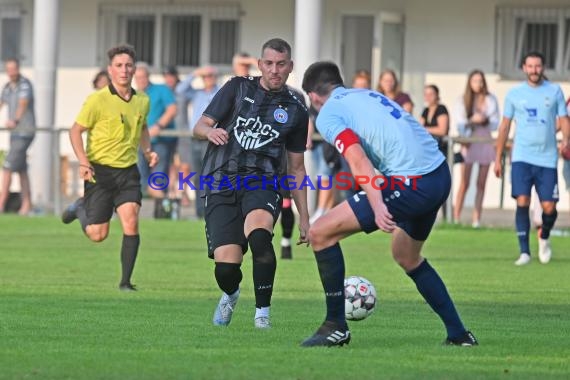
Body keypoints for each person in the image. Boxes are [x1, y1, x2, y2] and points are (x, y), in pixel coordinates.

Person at [300, 61, 477, 347]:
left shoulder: (328, 113)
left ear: (314, 97)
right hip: (438, 174)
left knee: (320, 233)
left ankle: (335, 326)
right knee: (405, 255)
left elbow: (358, 160)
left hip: (413, 182)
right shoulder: (367, 94)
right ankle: (459, 335)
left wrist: (379, 204)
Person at [192, 38, 310, 329]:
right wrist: (209, 133)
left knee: (259, 238)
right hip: (220, 181)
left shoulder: (296, 108)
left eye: (281, 64)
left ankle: (262, 315)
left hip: (263, 182)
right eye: (269, 63)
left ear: (290, 67)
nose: (274, 70)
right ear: (260, 65)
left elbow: (296, 167)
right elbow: (199, 126)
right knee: (226, 269)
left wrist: (305, 217)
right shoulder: (237, 87)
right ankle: (231, 294)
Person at [61, 45, 159, 291]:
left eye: (128, 65)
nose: (124, 70)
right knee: (98, 235)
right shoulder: (97, 100)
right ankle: (80, 207)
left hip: (128, 172)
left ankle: (125, 283)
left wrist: (147, 151)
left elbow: (143, 127)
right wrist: (83, 161)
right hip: (100, 172)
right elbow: (76, 131)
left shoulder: (142, 100)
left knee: (131, 221)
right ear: (110, 70)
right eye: (118, 66)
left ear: (134, 69)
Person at [494, 51, 570, 266]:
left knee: (549, 207)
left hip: (547, 158)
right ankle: (524, 252)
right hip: (522, 157)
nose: (534, 70)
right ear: (524, 68)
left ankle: (544, 236)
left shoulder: (554, 91)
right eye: (530, 66)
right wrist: (498, 157)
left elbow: (564, 118)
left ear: (543, 67)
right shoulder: (515, 94)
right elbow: (505, 126)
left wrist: (566, 138)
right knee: (522, 201)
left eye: (538, 66)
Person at [453, 70, 499, 227]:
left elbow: (495, 123)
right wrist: (473, 120)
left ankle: (476, 219)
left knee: (481, 183)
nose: (477, 84)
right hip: (469, 142)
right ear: (469, 82)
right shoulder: (462, 100)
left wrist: (483, 120)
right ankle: (456, 217)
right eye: (474, 81)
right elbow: (460, 123)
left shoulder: (490, 99)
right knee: (464, 182)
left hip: (485, 141)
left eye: (480, 81)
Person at [175, 66, 220, 218]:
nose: (207, 79)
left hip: (211, 139)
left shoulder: (220, 92)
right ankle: (200, 210)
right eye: (205, 76)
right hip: (195, 138)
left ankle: (212, 208)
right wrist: (195, 73)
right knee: (198, 175)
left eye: (210, 76)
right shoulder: (197, 94)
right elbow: (180, 90)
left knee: (211, 174)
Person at [134, 63, 177, 201]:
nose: (141, 80)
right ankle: (143, 217)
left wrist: (158, 126)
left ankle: (162, 213)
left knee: (157, 182)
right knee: (141, 181)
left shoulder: (161, 89)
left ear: (148, 77)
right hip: (140, 143)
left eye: (143, 77)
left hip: (161, 141)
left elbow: (172, 110)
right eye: (137, 77)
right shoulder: (133, 94)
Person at [0, 58, 36, 215]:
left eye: (13, 69)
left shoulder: (24, 84)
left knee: (7, 167)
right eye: (8, 69)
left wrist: (15, 119)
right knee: (21, 170)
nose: (11, 72)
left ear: (18, 69)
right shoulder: (7, 87)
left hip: (24, 132)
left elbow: (23, 103)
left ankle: (1, 205)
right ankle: (26, 205)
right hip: (14, 135)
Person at [419, 84, 450, 220]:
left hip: (440, 151)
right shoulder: (425, 110)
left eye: (431, 94)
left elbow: (442, 130)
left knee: (440, 183)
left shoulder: (441, 109)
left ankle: (445, 216)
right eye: (426, 94)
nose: (428, 97)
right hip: (427, 152)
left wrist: (426, 129)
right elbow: (418, 127)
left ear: (437, 95)